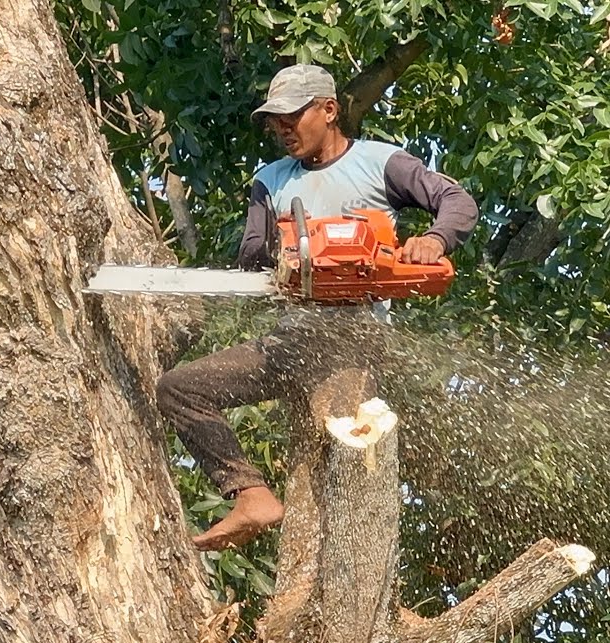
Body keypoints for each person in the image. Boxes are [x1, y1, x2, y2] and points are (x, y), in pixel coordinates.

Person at [157, 64, 479, 551]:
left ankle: (356, 555)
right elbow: (252, 257)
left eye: (291, 117)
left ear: (328, 110)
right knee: (179, 388)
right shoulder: (270, 181)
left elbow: (456, 200)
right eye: (275, 121)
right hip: (291, 340)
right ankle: (251, 495)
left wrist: (433, 239)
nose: (282, 130)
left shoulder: (381, 162)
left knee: (346, 457)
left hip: (357, 337)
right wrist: (274, 267)